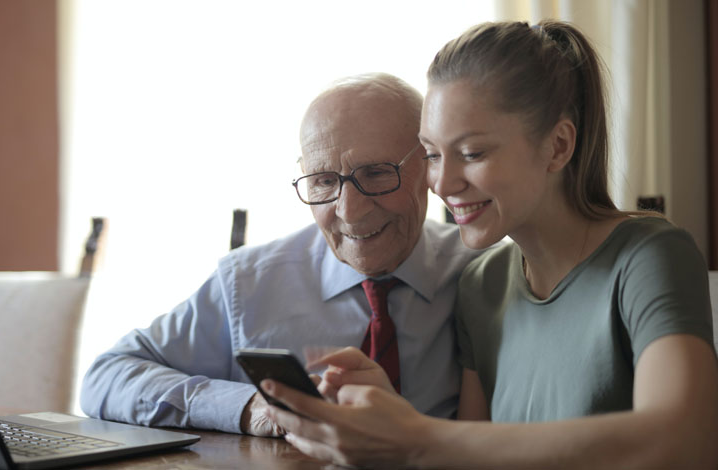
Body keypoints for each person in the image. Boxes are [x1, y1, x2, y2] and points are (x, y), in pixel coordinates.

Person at [264, 20, 718, 468]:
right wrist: (393, 419)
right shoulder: (482, 283)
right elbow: (467, 457)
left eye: (472, 153)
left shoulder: (650, 256)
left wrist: (415, 435)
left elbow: (684, 442)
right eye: (433, 154)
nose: (441, 182)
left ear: (558, 146)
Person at [79, 73, 483, 436]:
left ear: (430, 165)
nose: (349, 210)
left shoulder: (486, 277)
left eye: (376, 174)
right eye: (324, 181)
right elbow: (106, 376)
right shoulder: (249, 283)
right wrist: (248, 407)